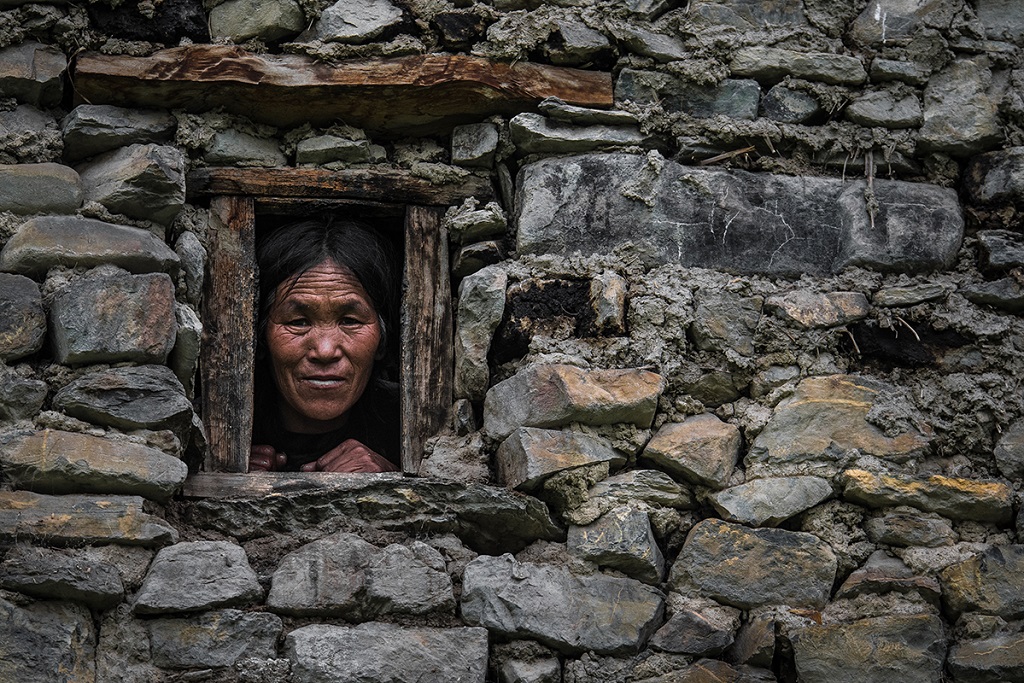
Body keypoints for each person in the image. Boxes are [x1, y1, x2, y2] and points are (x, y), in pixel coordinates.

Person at [248, 218, 401, 473]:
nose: (325, 350)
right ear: (260, 338)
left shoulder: (416, 431)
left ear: (383, 341)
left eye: (350, 321)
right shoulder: (212, 427)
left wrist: (392, 480)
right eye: (298, 322)